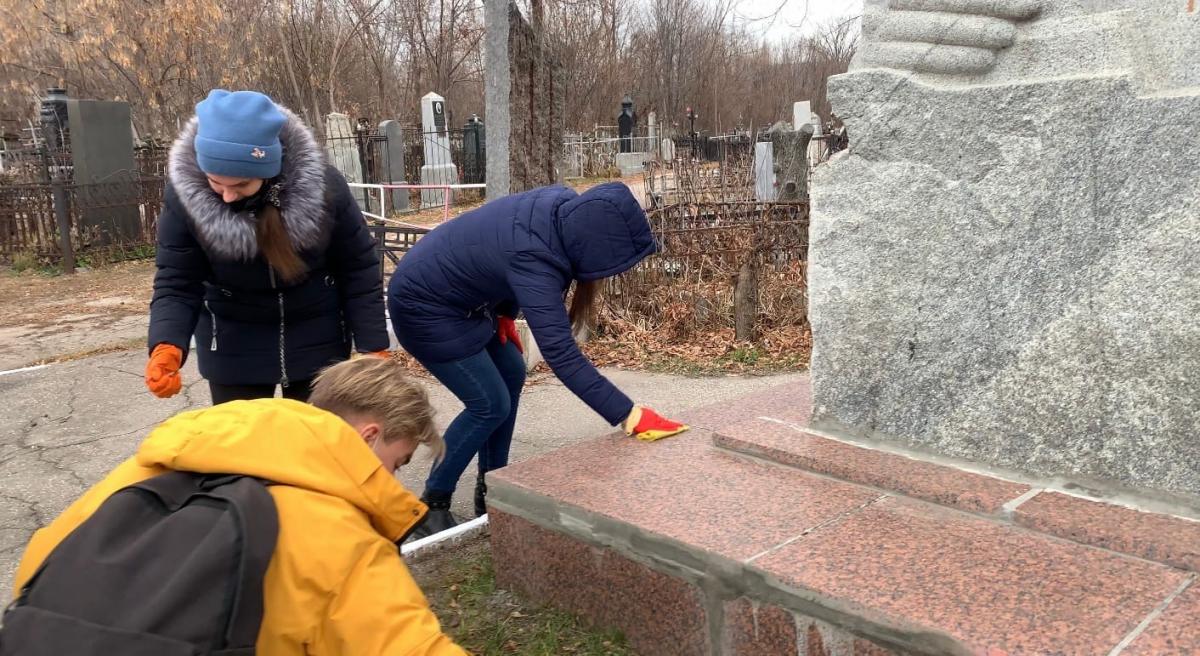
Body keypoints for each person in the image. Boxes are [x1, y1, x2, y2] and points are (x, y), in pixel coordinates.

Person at [11, 357, 467, 655]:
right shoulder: (338, 538)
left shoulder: (143, 472)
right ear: (368, 438)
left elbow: (38, 570)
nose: (390, 481)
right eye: (396, 462)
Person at [388, 182, 688, 539]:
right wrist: (629, 414)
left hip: (460, 299)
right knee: (488, 403)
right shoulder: (537, 258)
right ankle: (433, 503)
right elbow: (560, 352)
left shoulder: (559, 209)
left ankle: (494, 485)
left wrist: (504, 313)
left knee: (512, 371)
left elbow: (494, 250)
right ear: (593, 248)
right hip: (423, 308)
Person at [144, 89, 388, 405]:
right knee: (244, 450)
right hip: (233, 343)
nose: (227, 196)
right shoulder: (184, 199)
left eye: (241, 185)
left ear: (270, 170)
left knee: (309, 447)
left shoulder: (325, 189)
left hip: (317, 336)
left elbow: (358, 268)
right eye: (216, 183)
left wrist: (373, 346)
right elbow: (177, 280)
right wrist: (166, 344)